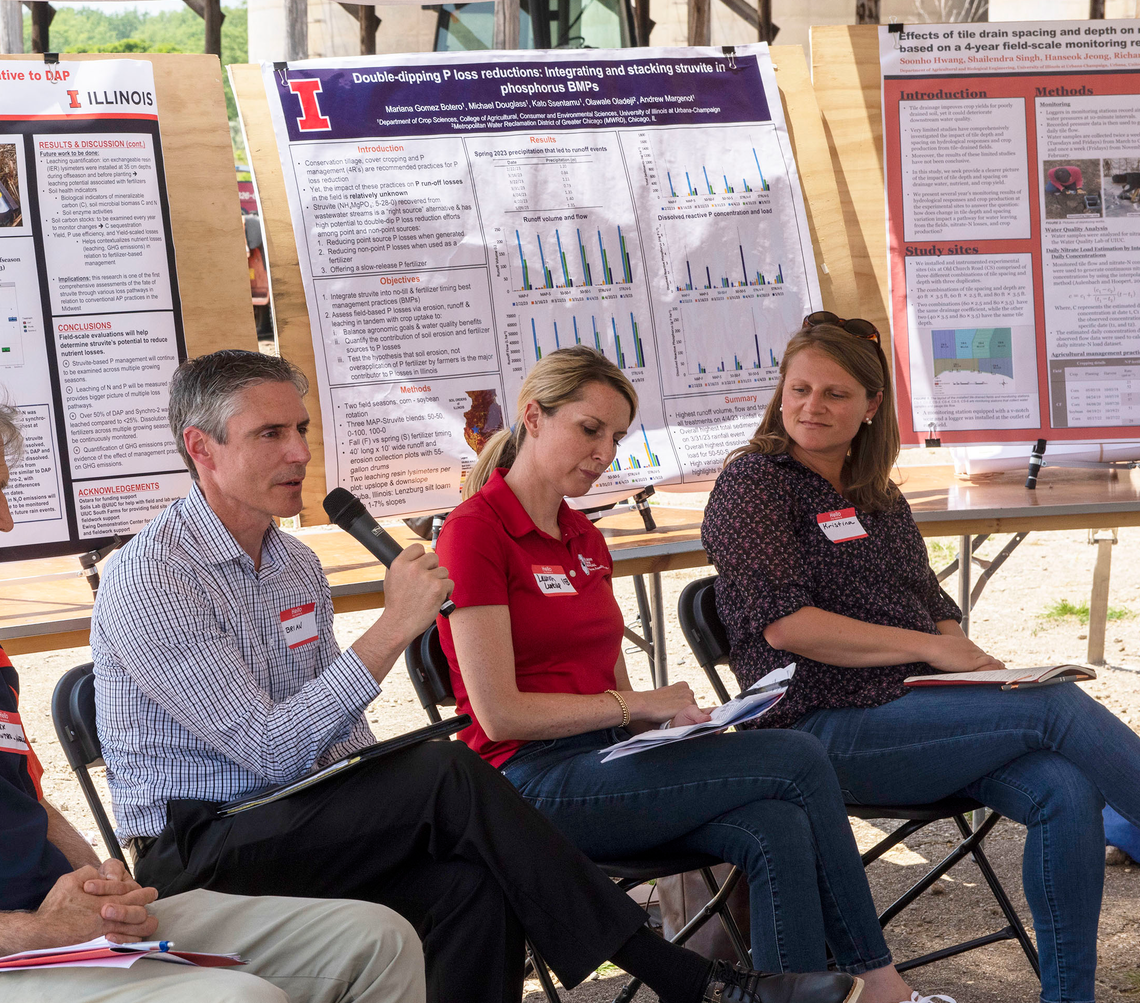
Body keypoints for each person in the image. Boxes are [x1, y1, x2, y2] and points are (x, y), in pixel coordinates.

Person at [90, 348, 863, 1003]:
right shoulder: (152, 575)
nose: (298, 453)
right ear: (202, 448)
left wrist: (378, 790)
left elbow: (337, 739)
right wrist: (394, 627)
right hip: (199, 845)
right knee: (442, 769)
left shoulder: (293, 563)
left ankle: (711, 983)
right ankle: (689, 980)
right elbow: (268, 750)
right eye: (271, 434)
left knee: (475, 880)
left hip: (295, 818)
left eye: (301, 430)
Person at [0, 372, 428, 1003]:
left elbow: (24, 802)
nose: (7, 518)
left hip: (60, 936)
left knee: (379, 940)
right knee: (235, 999)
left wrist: (103, 886)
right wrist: (38, 932)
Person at [433, 346, 936, 1003]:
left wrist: (670, 724)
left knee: (777, 823)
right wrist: (636, 705)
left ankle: (795, 992)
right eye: (590, 429)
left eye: (616, 437)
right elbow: (500, 714)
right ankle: (877, 981)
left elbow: (612, 684)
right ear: (533, 417)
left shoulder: (583, 535)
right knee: (798, 755)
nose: (604, 453)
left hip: (606, 763)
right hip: (525, 787)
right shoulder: (474, 531)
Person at [703, 313, 1140, 1003]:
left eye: (834, 393)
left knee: (1066, 788)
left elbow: (928, 598)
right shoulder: (755, 483)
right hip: (816, 728)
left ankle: (1070, 998)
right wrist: (932, 648)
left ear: (871, 406)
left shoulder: (874, 490)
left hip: (915, 710)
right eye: (799, 389)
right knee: (1053, 705)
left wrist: (969, 662)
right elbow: (787, 628)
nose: (811, 406)